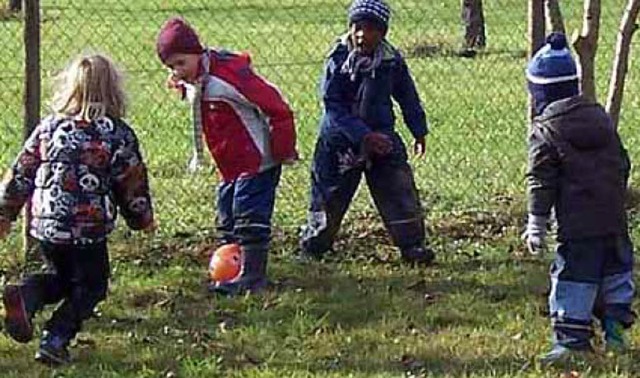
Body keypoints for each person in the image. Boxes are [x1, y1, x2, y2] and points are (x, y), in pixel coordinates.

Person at [0, 53, 155, 365]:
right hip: (87, 228)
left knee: (61, 278)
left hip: (46, 224)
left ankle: (27, 295)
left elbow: (21, 171)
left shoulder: (49, 127)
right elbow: (132, 184)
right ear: (114, 91)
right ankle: (56, 337)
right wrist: (142, 220)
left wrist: (4, 213)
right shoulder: (116, 133)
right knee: (92, 286)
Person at [155, 17, 297, 296]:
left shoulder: (228, 78)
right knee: (227, 216)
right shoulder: (197, 79)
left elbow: (276, 107)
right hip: (229, 164)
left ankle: (253, 277)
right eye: (171, 67)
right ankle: (231, 268)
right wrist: (182, 85)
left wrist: (283, 149)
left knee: (249, 215)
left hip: (258, 161)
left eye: (180, 63)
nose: (177, 71)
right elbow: (195, 96)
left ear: (197, 53)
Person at [522, 32, 635, 365]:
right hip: (613, 218)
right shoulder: (600, 117)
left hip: (578, 225)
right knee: (613, 272)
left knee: (574, 277)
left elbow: (540, 181)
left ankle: (572, 342)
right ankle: (615, 329)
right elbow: (623, 162)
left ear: (540, 92)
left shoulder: (545, 131)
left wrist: (536, 224)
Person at [299, 0, 434, 265]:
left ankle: (412, 245)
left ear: (383, 32)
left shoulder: (390, 61)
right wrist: (362, 136)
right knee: (329, 194)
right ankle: (315, 244)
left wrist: (418, 129)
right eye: (357, 27)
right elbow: (332, 106)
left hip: (382, 137)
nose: (362, 34)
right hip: (340, 142)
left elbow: (407, 95)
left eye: (371, 29)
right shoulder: (338, 59)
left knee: (398, 189)